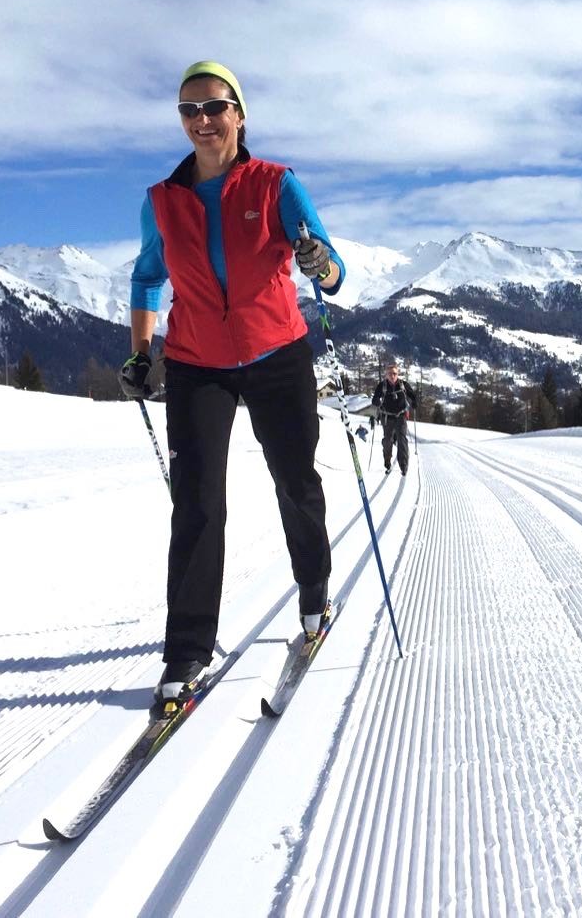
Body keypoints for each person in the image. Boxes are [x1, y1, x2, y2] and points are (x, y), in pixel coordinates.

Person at [119, 61, 347, 710]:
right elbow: (145, 279)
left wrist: (319, 261)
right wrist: (141, 352)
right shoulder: (162, 200)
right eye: (189, 110)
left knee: (294, 478)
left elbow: (333, 274)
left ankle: (315, 595)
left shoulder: (277, 184)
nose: (202, 121)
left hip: (276, 350)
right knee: (197, 500)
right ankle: (187, 649)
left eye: (214, 107)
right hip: (197, 358)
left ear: (239, 115)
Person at [371, 363, 418, 475]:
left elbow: (412, 395)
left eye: (394, 373)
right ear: (386, 374)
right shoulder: (382, 385)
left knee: (402, 440)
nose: (392, 376)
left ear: (398, 374)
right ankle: (387, 460)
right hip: (387, 417)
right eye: (390, 373)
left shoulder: (403, 385)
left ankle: (404, 465)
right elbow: (375, 398)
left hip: (401, 416)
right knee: (387, 441)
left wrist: (414, 402)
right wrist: (376, 401)